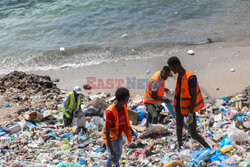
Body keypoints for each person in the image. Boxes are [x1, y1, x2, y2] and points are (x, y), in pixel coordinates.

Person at [167, 56, 210, 149]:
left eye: (172, 68)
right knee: (178, 128)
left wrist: (191, 113)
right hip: (179, 107)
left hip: (189, 109)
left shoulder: (191, 78)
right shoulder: (179, 75)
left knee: (193, 133)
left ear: (178, 65)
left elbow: (194, 97)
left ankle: (208, 147)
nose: (172, 71)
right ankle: (180, 146)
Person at [102, 87, 135, 167]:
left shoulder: (123, 106)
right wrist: (111, 150)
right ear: (123, 100)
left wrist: (131, 130)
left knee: (118, 154)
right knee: (111, 156)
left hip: (118, 134)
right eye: (128, 98)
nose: (128, 100)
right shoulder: (110, 112)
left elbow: (124, 120)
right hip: (110, 137)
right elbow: (107, 131)